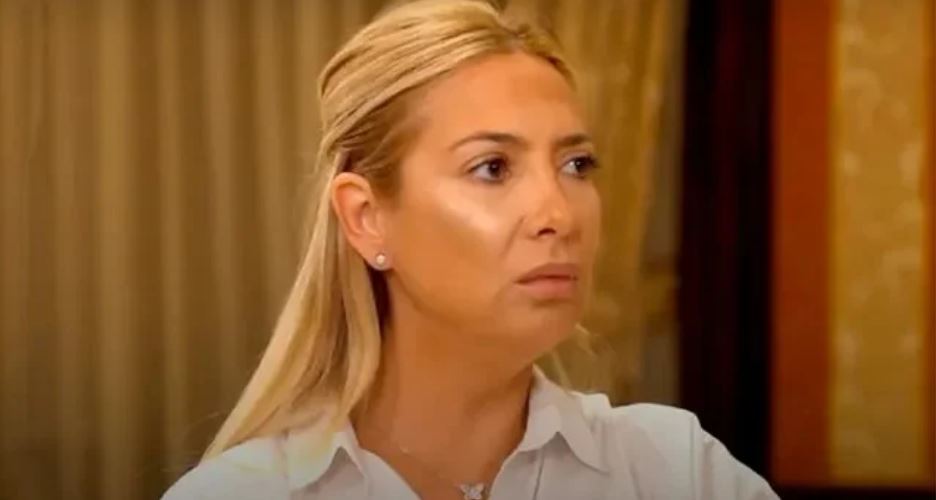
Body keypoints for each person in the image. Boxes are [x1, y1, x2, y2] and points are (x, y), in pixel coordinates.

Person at [162, 1, 779, 498]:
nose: (558, 215)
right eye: (492, 167)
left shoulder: (676, 470)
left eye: (576, 164)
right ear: (366, 218)